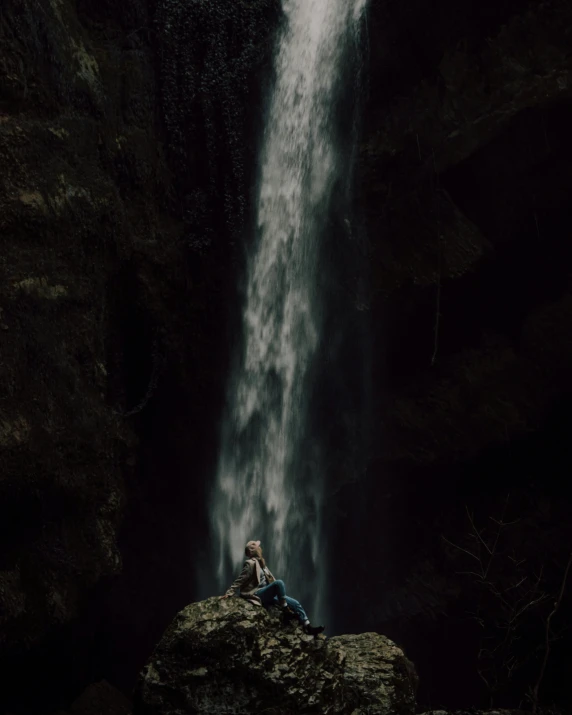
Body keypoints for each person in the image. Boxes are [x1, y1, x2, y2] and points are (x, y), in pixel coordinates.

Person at [220, 540, 325, 636]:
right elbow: (240, 579)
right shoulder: (250, 564)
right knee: (279, 583)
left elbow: (270, 580)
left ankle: (308, 626)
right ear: (253, 550)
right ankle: (285, 610)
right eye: (258, 547)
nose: (260, 548)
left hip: (268, 592)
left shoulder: (261, 563)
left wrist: (278, 592)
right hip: (257, 593)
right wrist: (229, 592)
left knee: (295, 603)